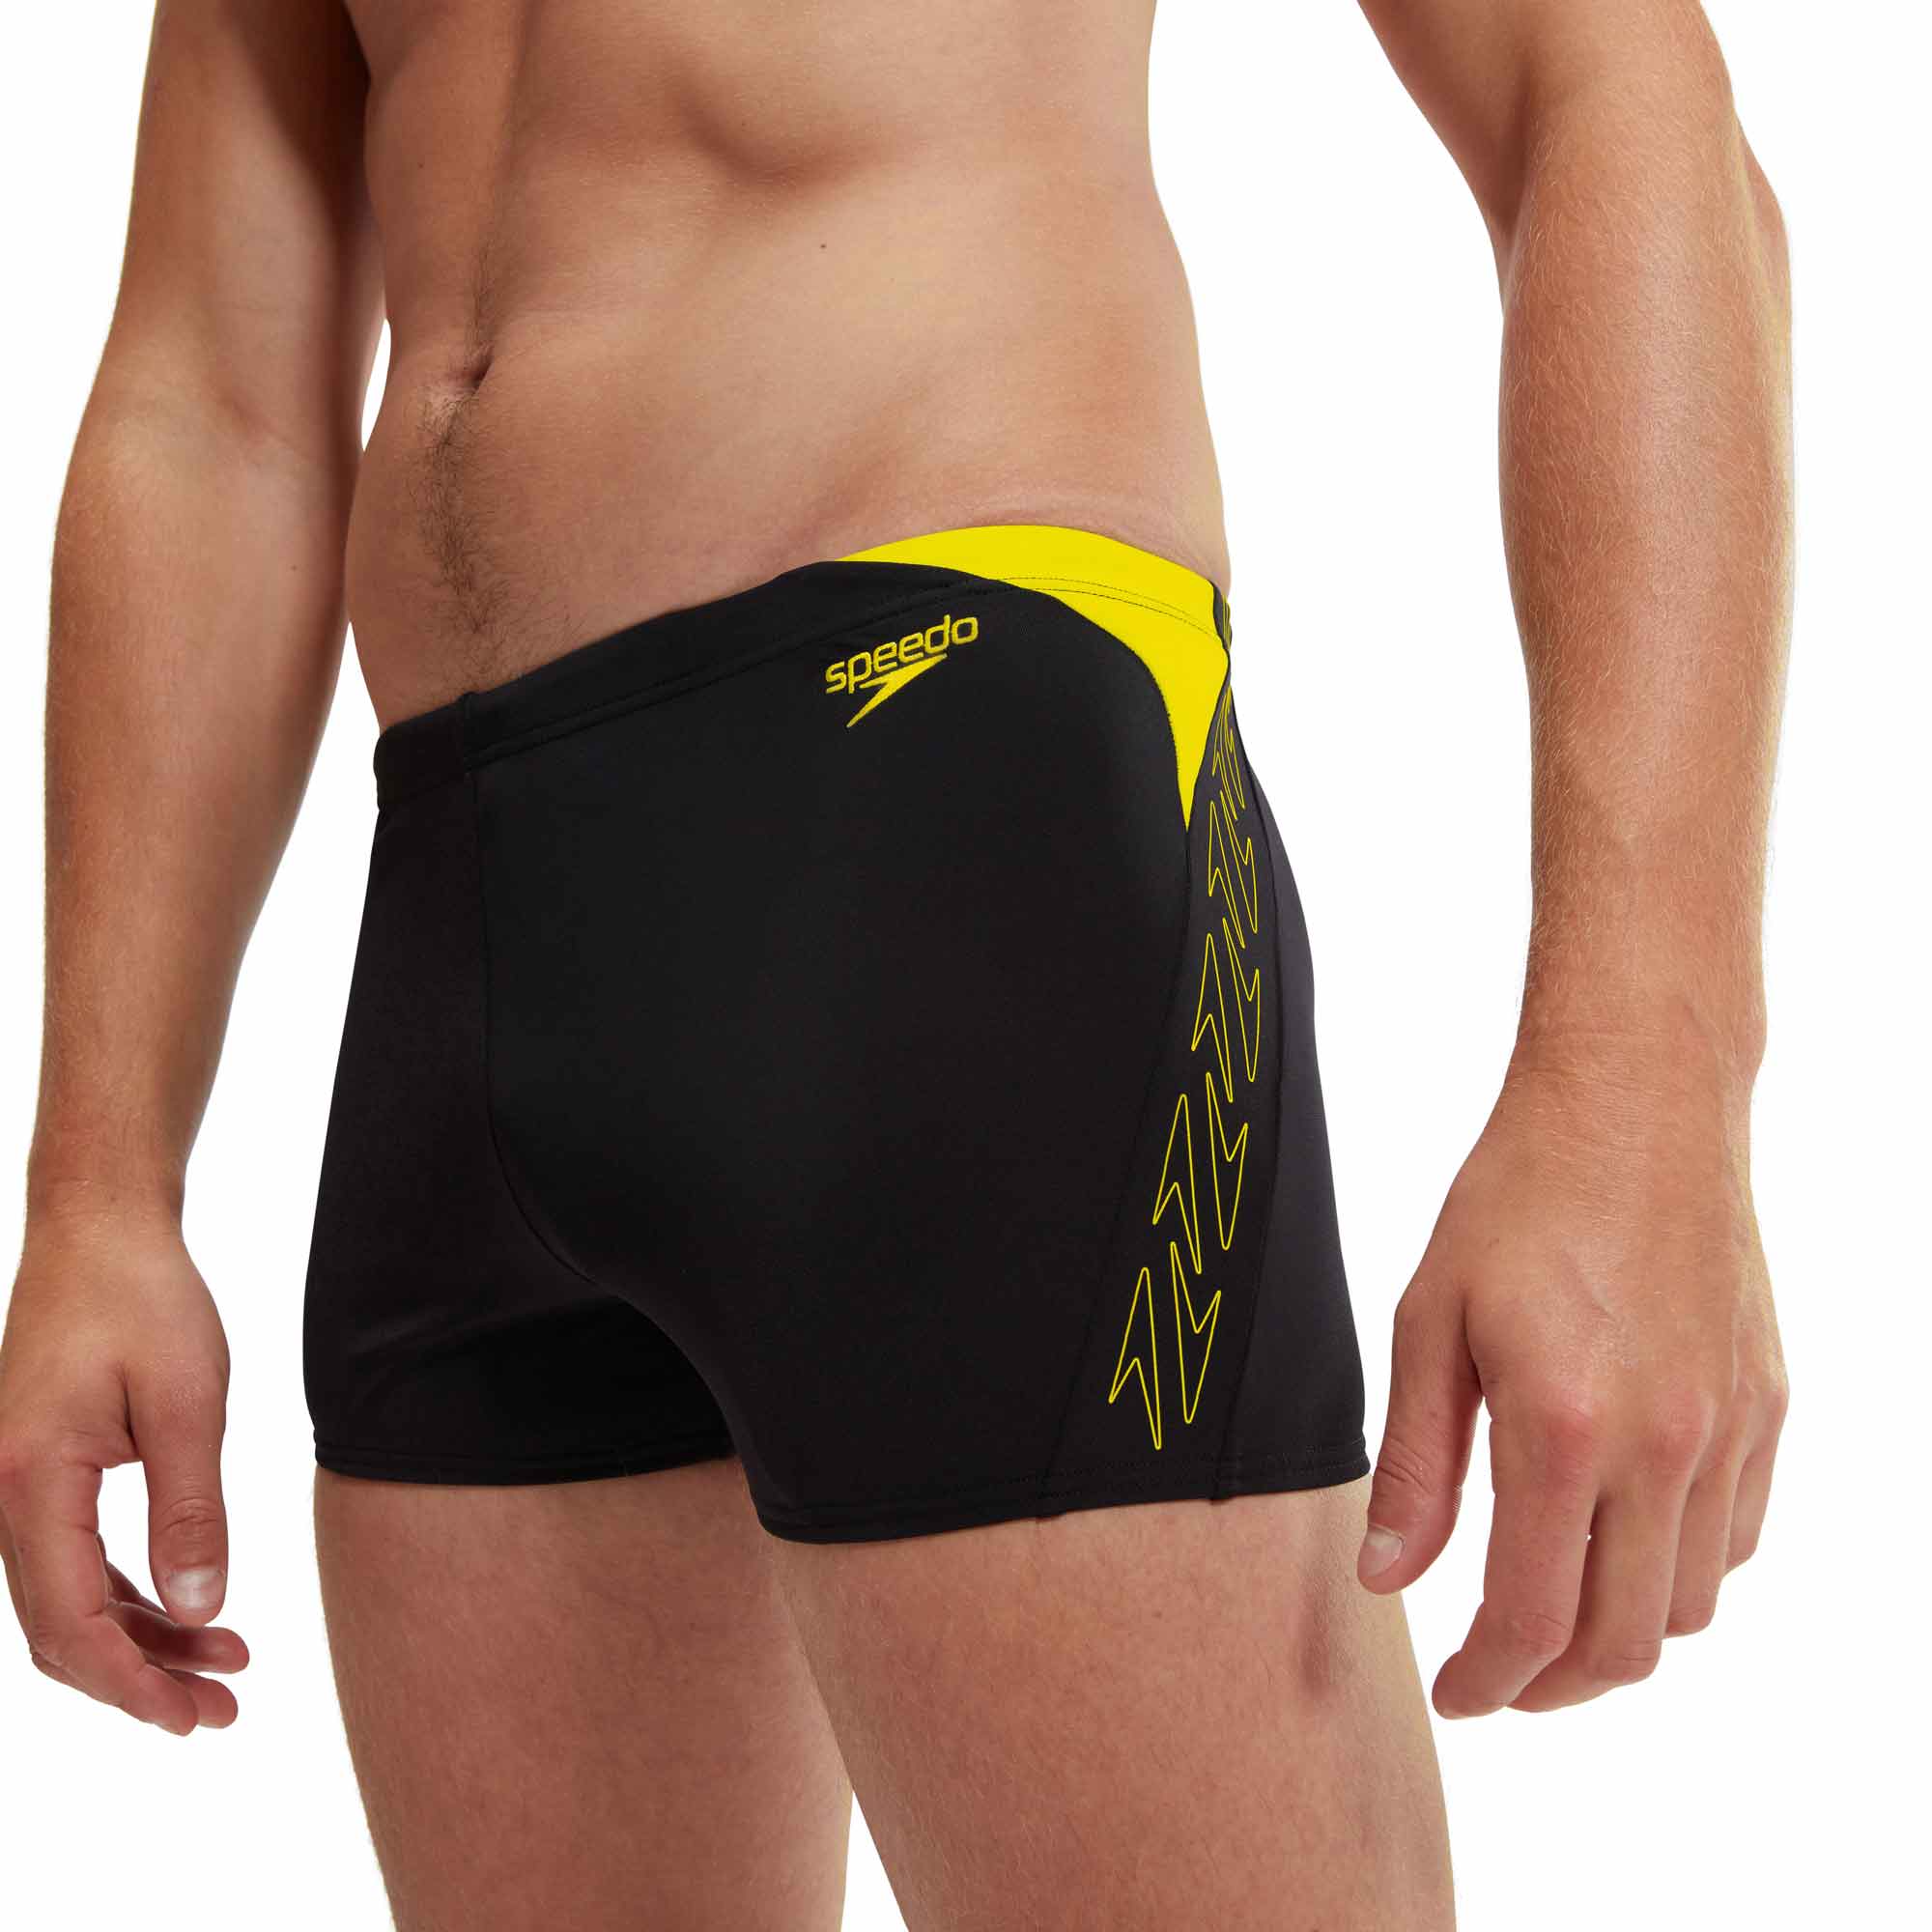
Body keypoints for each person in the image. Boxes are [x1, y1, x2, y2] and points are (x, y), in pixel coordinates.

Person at [0, 1, 1791, 1925]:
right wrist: (99, 1176)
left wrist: (1646, 1067)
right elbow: (214, 398)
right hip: (460, 917)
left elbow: (1606, 84)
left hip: (950, 805)